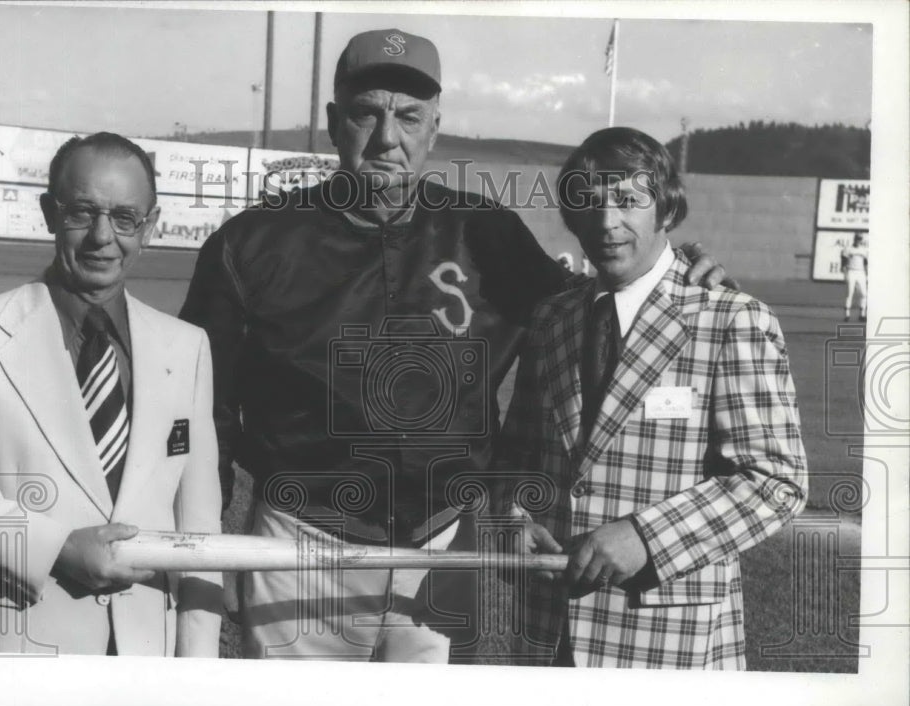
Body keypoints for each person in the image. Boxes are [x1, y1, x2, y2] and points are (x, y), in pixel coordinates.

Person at [180, 29, 727, 663]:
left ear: (435, 128)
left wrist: (677, 269)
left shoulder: (488, 232)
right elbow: (203, 411)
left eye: (409, 116)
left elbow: (589, 309)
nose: (389, 137)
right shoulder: (253, 242)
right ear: (334, 122)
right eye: (367, 113)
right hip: (301, 548)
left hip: (444, 546)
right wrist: (204, 549)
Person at [497, 126, 808, 668]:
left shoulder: (730, 317)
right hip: (548, 632)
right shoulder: (552, 320)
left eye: (627, 201)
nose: (606, 221)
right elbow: (516, 459)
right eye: (589, 204)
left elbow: (776, 482)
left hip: (670, 636)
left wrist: (646, 536)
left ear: (664, 209)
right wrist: (511, 520)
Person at [0, 132, 223, 656]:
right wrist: (56, 549)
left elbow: (200, 531)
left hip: (144, 656)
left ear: (150, 226)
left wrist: (195, 672)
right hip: (14, 650)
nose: (101, 237)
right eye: (82, 212)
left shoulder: (187, 347)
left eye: (124, 218)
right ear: (49, 213)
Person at [841, 232, 868, 322]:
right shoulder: (848, 249)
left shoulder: (864, 250)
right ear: (854, 239)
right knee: (850, 293)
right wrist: (844, 270)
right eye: (857, 239)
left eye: (860, 239)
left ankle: (862, 314)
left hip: (861, 272)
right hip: (851, 271)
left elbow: (865, 262)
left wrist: (866, 272)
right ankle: (847, 315)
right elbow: (843, 259)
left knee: (864, 294)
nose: (859, 241)